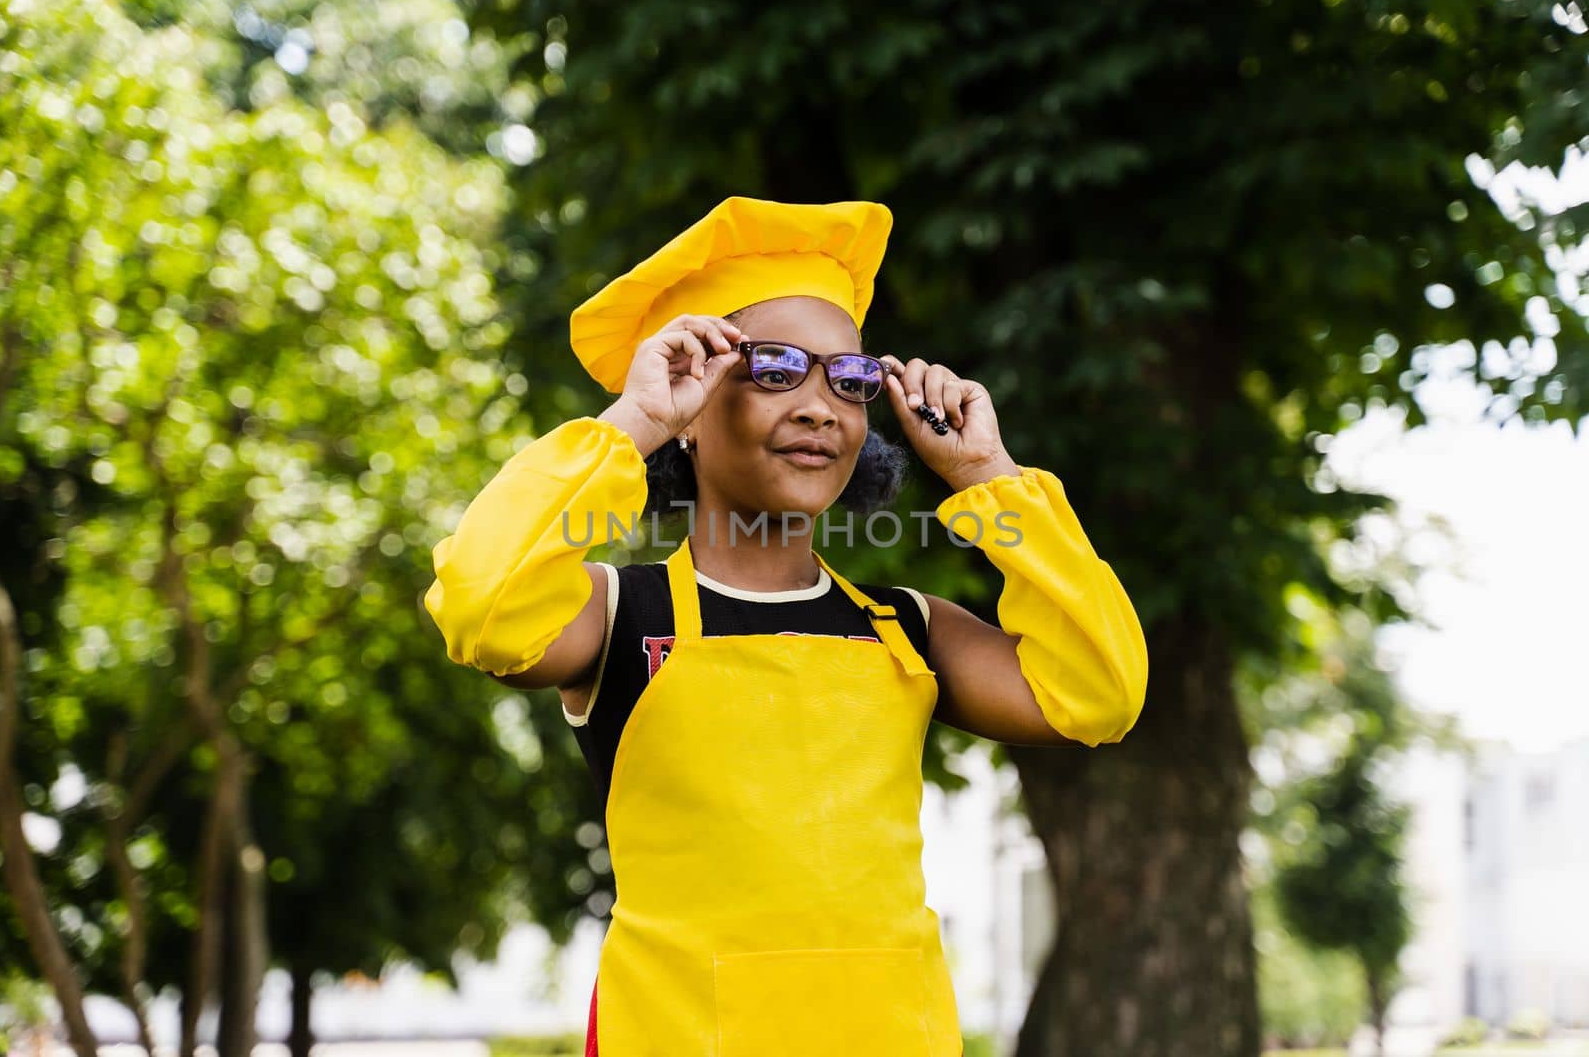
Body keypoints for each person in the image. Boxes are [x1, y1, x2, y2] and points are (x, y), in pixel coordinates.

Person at [423, 196, 1149, 1056]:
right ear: (690, 408)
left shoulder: (907, 629)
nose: (818, 407)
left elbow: (1100, 693)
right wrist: (635, 420)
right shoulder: (618, 617)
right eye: (774, 368)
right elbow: (482, 607)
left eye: (849, 380)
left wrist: (990, 475)